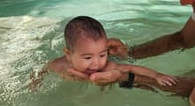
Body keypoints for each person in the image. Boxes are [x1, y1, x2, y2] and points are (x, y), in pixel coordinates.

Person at [30, 15, 178, 90]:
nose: (97, 63)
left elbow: (131, 68)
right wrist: (36, 81)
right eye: (88, 57)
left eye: (102, 54)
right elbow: (45, 67)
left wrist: (157, 75)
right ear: (68, 54)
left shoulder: (107, 66)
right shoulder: (60, 65)